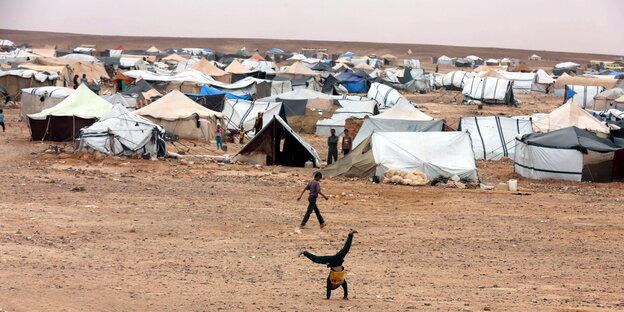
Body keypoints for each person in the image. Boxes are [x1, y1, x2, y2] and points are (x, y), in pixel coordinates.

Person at [299, 229, 358, 300]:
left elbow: (328, 288)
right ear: (336, 285)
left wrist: (327, 297)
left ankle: (304, 252)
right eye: (334, 286)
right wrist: (345, 296)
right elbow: (345, 287)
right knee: (345, 249)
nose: (334, 284)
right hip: (338, 260)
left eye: (332, 285)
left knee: (317, 259)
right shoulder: (340, 281)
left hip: (332, 261)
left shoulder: (330, 280)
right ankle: (351, 234)